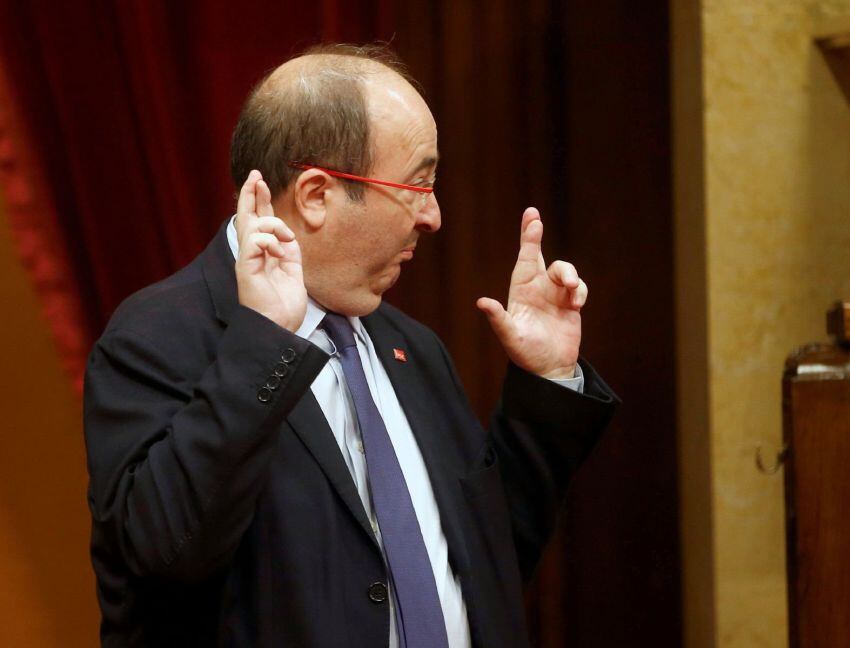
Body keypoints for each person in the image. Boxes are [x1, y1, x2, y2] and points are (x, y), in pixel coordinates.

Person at [82, 43, 618, 647]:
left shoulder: (410, 346)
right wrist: (263, 343)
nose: (433, 216)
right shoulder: (155, 336)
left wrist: (547, 383)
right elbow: (162, 558)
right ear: (317, 194)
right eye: (417, 185)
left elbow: (485, 565)